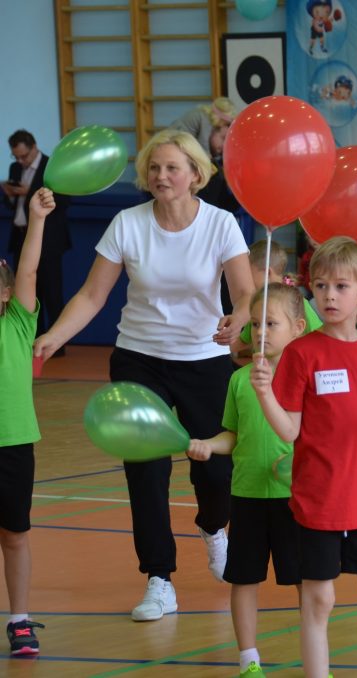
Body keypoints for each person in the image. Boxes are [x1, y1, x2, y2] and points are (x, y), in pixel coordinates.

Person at [33, 128, 254, 620]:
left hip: (203, 360)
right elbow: (92, 296)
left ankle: (214, 526)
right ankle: (159, 578)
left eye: (172, 167)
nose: (161, 175)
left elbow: (244, 294)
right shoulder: (127, 224)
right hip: (139, 358)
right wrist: (55, 335)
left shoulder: (220, 225)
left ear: (196, 174)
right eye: (154, 168)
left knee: (216, 469)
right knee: (146, 473)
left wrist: (238, 319)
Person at [251, 237, 357, 678]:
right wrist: (264, 392)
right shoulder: (301, 354)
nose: (329, 295)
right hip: (318, 499)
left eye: (341, 286)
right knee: (319, 600)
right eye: (321, 285)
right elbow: (290, 430)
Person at [187, 284, 306, 678]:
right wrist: (209, 445)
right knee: (244, 580)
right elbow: (233, 435)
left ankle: (315, 657)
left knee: (306, 583)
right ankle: (248, 659)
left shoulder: (306, 377)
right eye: (255, 324)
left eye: (271, 323)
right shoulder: (239, 381)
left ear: (298, 328)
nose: (260, 332)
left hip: (295, 499)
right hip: (248, 495)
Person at [1, 188, 54, 655]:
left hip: (13, 444)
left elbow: (30, 269)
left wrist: (35, 219)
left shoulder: (17, 324)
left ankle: (19, 620)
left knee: (14, 534)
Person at [3, 130, 71, 341]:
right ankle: (33, 337)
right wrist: (10, 195)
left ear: (34, 148)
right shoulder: (15, 168)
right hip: (21, 236)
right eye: (16, 157)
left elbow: (64, 201)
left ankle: (55, 342)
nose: (21, 161)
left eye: (24, 156)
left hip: (48, 240)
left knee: (52, 293)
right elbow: (13, 206)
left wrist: (30, 193)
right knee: (26, 291)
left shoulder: (52, 166)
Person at [234, 239, 322, 360]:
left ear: (267, 272)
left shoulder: (298, 303)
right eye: (256, 324)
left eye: (249, 274)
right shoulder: (259, 305)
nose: (245, 280)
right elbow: (241, 342)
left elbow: (319, 339)